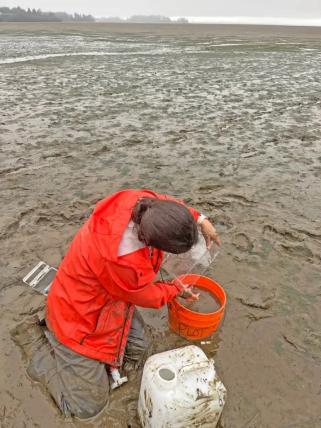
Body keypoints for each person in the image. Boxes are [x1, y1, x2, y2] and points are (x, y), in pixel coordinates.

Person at [27, 188, 220, 419]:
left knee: (140, 350)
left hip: (108, 299)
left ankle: (75, 349)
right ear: (153, 243)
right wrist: (176, 289)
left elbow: (167, 204)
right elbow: (146, 295)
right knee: (88, 408)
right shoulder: (124, 262)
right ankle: (40, 350)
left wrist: (199, 219)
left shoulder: (140, 203)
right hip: (79, 317)